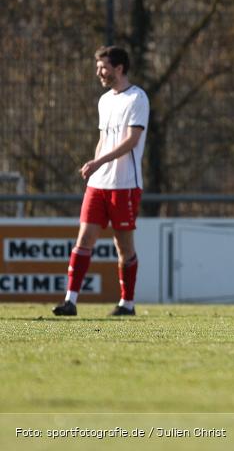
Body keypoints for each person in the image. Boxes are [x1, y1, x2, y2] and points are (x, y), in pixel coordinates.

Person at [53, 46, 149, 317]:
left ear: (119, 68)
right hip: (99, 185)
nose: (99, 73)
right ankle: (70, 301)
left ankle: (127, 304)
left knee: (124, 246)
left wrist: (99, 162)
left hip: (125, 185)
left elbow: (131, 140)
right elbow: (103, 139)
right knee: (83, 240)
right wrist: (94, 169)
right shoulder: (104, 100)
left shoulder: (137, 98)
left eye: (103, 68)